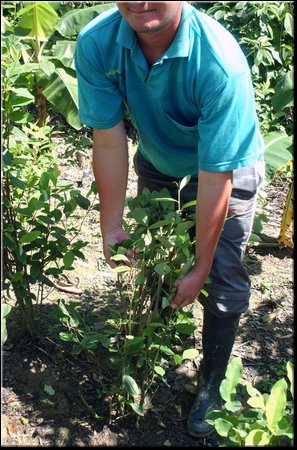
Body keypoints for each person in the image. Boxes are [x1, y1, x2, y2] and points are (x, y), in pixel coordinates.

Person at [75, 1, 265, 438]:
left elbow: (216, 177)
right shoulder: (97, 42)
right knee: (158, 259)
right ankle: (158, 349)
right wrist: (111, 224)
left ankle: (211, 384)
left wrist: (200, 265)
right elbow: (107, 140)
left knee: (218, 276)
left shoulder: (219, 62)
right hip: (160, 160)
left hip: (226, 166)